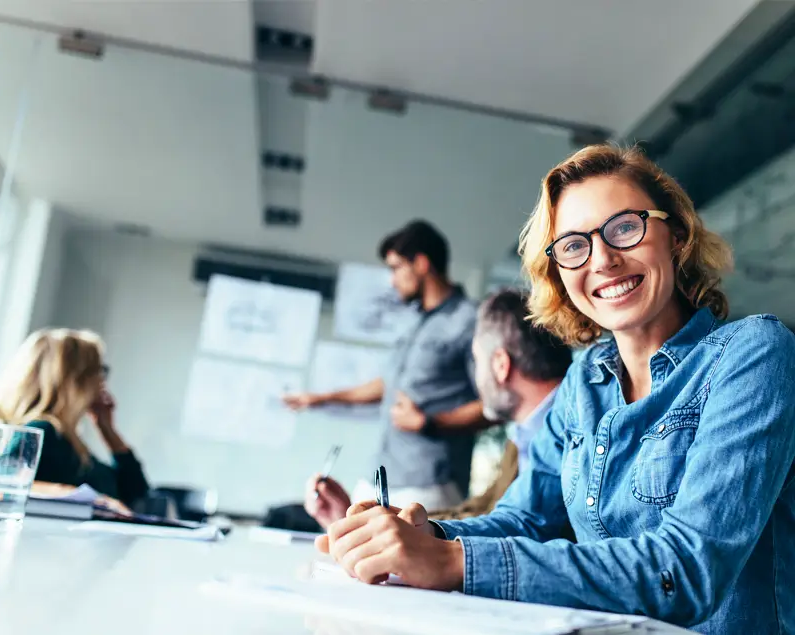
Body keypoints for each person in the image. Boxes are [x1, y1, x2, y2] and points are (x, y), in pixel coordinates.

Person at [316, 145, 795, 633]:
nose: (603, 259)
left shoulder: (754, 353)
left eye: (625, 228)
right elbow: (524, 520)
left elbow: (686, 570)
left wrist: (450, 560)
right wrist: (425, 536)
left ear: (675, 235)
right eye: (572, 246)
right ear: (561, 275)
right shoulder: (584, 381)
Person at [305, 288, 572, 528]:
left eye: (477, 361)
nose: (476, 382)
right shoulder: (523, 439)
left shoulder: (570, 436)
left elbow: (511, 533)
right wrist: (365, 524)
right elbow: (484, 513)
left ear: (501, 365)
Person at [285, 220, 490, 511]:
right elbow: (389, 383)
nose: (392, 281)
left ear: (421, 263)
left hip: (429, 484)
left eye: (396, 268)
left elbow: (495, 405)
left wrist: (430, 423)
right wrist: (323, 398)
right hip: (380, 475)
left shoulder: (470, 320)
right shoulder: (412, 322)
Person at [0, 328, 151, 508]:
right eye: (99, 370)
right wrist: (89, 499)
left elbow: (135, 492)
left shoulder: (67, 440)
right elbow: (4, 485)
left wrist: (107, 429)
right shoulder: (42, 430)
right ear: (74, 378)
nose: (102, 381)